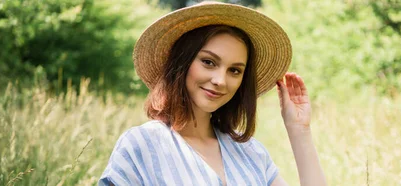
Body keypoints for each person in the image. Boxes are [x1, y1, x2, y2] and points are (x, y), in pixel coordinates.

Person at [98, 1, 326, 186]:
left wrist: (299, 130)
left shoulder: (250, 152)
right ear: (182, 62)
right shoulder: (142, 145)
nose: (220, 80)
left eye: (234, 70)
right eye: (208, 62)